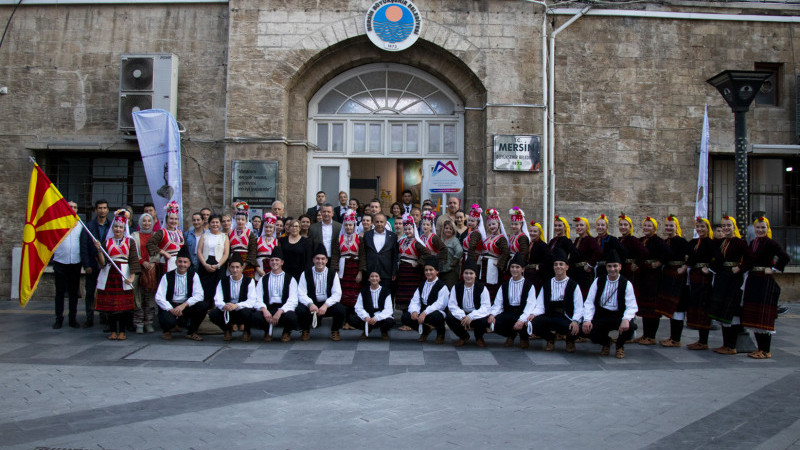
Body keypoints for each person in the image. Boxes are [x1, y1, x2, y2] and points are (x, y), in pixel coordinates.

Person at [741, 216, 791, 359]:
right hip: (753, 280)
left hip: (764, 280)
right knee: (755, 315)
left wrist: (774, 269)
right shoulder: (753, 242)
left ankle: (766, 350)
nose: (760, 230)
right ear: (754, 229)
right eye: (758, 227)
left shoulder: (770, 243)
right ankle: (759, 348)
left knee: (764, 316)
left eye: (763, 227)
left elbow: (785, 257)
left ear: (767, 229)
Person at [707, 215, 754, 355]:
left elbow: (751, 258)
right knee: (723, 311)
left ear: (734, 227)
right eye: (724, 226)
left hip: (733, 280)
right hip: (723, 278)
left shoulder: (739, 242)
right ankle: (726, 344)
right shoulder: (722, 242)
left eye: (729, 225)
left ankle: (731, 345)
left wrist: (740, 268)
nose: (726, 228)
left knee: (731, 311)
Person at [582, 250, 638, 359]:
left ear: (620, 267)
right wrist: (587, 319)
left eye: (615, 266)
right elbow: (589, 302)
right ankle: (606, 342)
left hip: (618, 315)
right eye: (610, 266)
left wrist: (626, 319)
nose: (612, 269)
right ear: (606, 267)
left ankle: (619, 346)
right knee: (585, 329)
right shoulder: (598, 281)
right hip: (602, 315)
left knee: (630, 327)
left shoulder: (626, 283)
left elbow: (632, 305)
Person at [94, 210, 141, 340]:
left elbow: (133, 260)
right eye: (115, 226)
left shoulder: (130, 242)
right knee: (111, 306)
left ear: (124, 228)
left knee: (124, 307)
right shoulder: (107, 242)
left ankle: (122, 331)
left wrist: (131, 277)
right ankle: (113, 330)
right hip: (110, 275)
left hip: (123, 275)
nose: (118, 229)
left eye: (120, 227)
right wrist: (99, 250)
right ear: (112, 227)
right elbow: (103, 263)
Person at [528, 249, 584, 353]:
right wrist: (533, 314)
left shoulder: (573, 285)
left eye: (561, 264)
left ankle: (570, 341)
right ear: (553, 267)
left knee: (574, 327)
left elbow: (579, 307)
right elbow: (540, 305)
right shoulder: (547, 284)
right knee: (532, 323)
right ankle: (550, 338)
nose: (558, 266)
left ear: (567, 267)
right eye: (556, 264)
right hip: (550, 314)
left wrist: (576, 320)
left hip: (566, 315)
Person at [154, 245, 207, 341]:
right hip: (171, 307)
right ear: (176, 262)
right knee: (167, 320)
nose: (182, 264)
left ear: (189, 263)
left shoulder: (194, 275)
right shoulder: (167, 276)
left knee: (203, 306)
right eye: (180, 261)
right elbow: (159, 297)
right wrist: (171, 309)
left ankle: (191, 332)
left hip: (185, 306)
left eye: (185, 262)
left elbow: (199, 295)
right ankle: (167, 330)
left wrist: (183, 305)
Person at [631, 216, 670, 346]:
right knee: (644, 307)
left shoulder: (658, 241)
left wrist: (658, 263)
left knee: (652, 308)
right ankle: (645, 334)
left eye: (649, 226)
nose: (646, 228)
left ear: (654, 228)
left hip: (653, 277)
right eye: (645, 226)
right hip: (643, 276)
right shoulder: (641, 240)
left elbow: (668, 253)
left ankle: (651, 336)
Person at [296, 245, 346, 341]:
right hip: (312, 304)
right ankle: (305, 330)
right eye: (317, 259)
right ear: (313, 260)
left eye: (323, 259)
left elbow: (337, 293)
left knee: (341, 310)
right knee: (300, 310)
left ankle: (335, 330)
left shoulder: (332, 273)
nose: (320, 261)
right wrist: (310, 304)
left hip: (326, 305)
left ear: (326, 260)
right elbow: (301, 293)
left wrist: (326, 305)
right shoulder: (306, 273)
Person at [251, 246, 301, 342]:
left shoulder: (290, 279)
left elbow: (293, 300)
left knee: (292, 317)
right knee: (256, 316)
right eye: (272, 260)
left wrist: (280, 311)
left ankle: (286, 331)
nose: (274, 262)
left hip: (283, 310)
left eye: (277, 260)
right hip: (268, 309)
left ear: (282, 262)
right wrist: (264, 310)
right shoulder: (263, 279)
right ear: (269, 262)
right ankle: (267, 331)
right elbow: (258, 298)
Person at [489, 253, 536, 348]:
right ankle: (511, 335)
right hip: (509, 312)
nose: (514, 269)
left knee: (527, 322)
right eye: (512, 267)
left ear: (522, 269)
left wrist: (521, 320)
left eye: (517, 267)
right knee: (494, 322)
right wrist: (492, 314)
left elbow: (530, 305)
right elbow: (498, 303)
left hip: (522, 312)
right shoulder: (504, 285)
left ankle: (524, 338)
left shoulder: (529, 285)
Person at [656, 215, 690, 347]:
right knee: (671, 307)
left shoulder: (680, 241)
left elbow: (692, 254)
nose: (669, 228)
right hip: (668, 275)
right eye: (667, 226)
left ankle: (676, 339)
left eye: (671, 226)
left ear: (676, 227)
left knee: (678, 307)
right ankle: (672, 337)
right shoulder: (666, 241)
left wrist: (685, 267)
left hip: (677, 275)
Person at [402, 256, 450, 344]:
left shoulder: (442, 286)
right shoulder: (422, 284)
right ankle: (425, 330)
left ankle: (440, 334)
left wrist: (425, 312)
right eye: (426, 270)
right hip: (423, 311)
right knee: (405, 317)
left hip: (435, 311)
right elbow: (415, 300)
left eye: (431, 270)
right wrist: (414, 311)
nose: (428, 272)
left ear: (437, 271)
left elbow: (441, 304)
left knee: (437, 316)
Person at [685, 217, 716, 350]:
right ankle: (700, 340)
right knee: (696, 306)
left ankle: (704, 341)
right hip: (695, 277)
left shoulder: (710, 243)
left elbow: (719, 258)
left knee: (703, 307)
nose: (700, 229)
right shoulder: (694, 242)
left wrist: (709, 268)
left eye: (703, 227)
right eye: (698, 227)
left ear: (708, 228)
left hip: (704, 278)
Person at [445, 260, 491, 347]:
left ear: (475, 275)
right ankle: (463, 336)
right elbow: (452, 305)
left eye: (471, 273)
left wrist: (471, 316)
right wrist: (462, 316)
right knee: (449, 318)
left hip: (476, 315)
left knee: (483, 320)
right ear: (463, 274)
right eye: (466, 273)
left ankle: (479, 337)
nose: (468, 276)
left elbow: (486, 307)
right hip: (462, 315)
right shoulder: (457, 287)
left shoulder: (482, 288)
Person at [79, 198, 110, 327]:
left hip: (106, 265)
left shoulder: (111, 225)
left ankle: (104, 316)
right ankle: (89, 317)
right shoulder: (89, 226)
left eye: (104, 208)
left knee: (105, 292)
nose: (102, 210)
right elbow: (84, 246)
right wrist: (86, 265)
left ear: (107, 210)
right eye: (100, 208)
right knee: (90, 292)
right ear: (96, 210)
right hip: (92, 264)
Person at [209, 259, 257, 341]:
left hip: (241, 309)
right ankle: (227, 329)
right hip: (228, 309)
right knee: (213, 314)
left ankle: (246, 331)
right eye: (232, 267)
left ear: (242, 268)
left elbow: (252, 301)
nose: (235, 270)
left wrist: (236, 305)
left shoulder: (249, 281)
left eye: (237, 267)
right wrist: (225, 305)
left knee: (248, 312)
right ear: (229, 268)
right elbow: (218, 298)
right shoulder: (223, 281)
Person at [51, 200, 82, 329]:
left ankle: (72, 319)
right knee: (60, 292)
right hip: (60, 262)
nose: (72, 209)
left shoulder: (81, 224)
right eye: (70, 207)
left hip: (75, 262)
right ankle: (59, 318)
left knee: (74, 293)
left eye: (75, 207)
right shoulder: (57, 223)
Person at [329, 209, 361, 329]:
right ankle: (344, 320)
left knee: (355, 294)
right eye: (346, 225)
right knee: (343, 294)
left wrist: (360, 272)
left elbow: (362, 256)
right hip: (343, 269)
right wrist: (335, 271)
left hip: (355, 268)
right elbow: (335, 256)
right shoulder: (338, 239)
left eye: (350, 225)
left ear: (354, 225)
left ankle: (353, 320)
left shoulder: (359, 238)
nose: (348, 227)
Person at [394, 215, 430, 321]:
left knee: (411, 294)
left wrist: (418, 262)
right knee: (402, 294)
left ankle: (410, 319)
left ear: (414, 229)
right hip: (402, 272)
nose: (408, 231)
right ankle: (405, 318)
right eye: (405, 229)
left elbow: (427, 254)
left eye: (409, 229)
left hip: (413, 273)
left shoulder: (417, 243)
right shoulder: (401, 241)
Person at [196, 214, 230, 305]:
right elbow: (199, 251)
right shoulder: (204, 235)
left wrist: (218, 265)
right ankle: (205, 307)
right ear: (209, 224)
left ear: (220, 224)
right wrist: (205, 264)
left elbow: (226, 253)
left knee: (218, 287)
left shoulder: (224, 236)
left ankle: (217, 306)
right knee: (205, 286)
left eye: (217, 222)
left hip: (219, 265)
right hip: (205, 264)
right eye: (213, 222)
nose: (215, 224)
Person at [146, 200, 185, 279]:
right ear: (166, 219)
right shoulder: (162, 232)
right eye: (171, 219)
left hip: (180, 263)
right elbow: (149, 244)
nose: (173, 221)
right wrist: (163, 252)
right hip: (167, 263)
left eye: (175, 219)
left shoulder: (180, 233)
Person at [131, 213, 156, 334]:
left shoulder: (156, 235)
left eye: (149, 221)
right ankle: (139, 323)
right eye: (144, 221)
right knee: (138, 296)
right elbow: (132, 252)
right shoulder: (134, 236)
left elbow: (157, 251)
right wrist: (142, 262)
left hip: (151, 269)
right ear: (140, 223)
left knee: (149, 296)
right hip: (138, 269)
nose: (147, 223)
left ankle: (149, 322)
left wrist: (152, 262)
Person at [351, 271, 395, 340]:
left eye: (376, 276)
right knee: (351, 319)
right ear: (369, 279)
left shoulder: (386, 291)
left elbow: (388, 309)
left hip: (380, 316)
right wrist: (365, 317)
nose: (374, 278)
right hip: (368, 314)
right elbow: (358, 307)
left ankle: (384, 331)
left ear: (379, 279)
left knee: (389, 321)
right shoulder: (364, 291)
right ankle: (367, 328)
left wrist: (376, 318)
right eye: (372, 276)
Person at [358, 212, 398, 288]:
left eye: (381, 222)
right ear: (373, 223)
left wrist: (394, 271)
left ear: (385, 223)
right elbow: (363, 254)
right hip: (370, 272)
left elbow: (394, 255)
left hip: (386, 272)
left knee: (386, 295)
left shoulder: (393, 236)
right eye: (377, 222)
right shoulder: (366, 235)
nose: (379, 224)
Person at [617, 213, 649, 304]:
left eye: (625, 225)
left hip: (630, 271)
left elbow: (645, 252)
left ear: (630, 227)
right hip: (621, 270)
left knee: (629, 294)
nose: (623, 227)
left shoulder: (633, 239)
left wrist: (637, 263)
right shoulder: (619, 240)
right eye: (621, 224)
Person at [481, 208, 510, 299]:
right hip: (485, 265)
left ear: (499, 224)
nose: (491, 226)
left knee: (492, 286)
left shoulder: (501, 239)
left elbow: (505, 252)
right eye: (489, 225)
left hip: (493, 266)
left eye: (493, 224)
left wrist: (499, 263)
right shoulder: (488, 238)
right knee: (485, 285)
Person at [571, 217, 601, 299]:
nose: (579, 227)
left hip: (585, 272)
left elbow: (598, 251)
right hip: (576, 272)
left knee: (584, 293)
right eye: (577, 225)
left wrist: (590, 264)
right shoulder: (577, 240)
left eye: (581, 225)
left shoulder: (590, 239)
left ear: (586, 227)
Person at [228, 201, 258, 278]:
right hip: (233, 261)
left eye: (242, 219)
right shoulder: (230, 233)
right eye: (238, 219)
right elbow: (227, 250)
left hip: (247, 262)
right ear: (235, 220)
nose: (240, 221)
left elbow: (253, 249)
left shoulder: (249, 233)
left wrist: (245, 264)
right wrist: (229, 263)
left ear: (246, 221)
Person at [594, 214, 626, 278]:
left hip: (608, 271)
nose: (600, 227)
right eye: (598, 225)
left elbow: (623, 252)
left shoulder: (612, 239)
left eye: (603, 225)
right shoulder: (593, 240)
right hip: (595, 270)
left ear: (607, 227)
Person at [525, 221, 553, 291]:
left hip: (538, 275)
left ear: (539, 233)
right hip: (529, 274)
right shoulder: (529, 244)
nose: (532, 233)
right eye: (531, 231)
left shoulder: (543, 245)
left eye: (535, 232)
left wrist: (540, 266)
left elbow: (549, 258)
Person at [439, 218, 463, 287]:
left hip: (451, 271)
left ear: (453, 231)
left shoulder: (454, 240)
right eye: (446, 228)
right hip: (442, 270)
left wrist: (455, 261)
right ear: (443, 229)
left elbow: (460, 251)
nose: (448, 230)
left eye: (450, 229)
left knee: (449, 290)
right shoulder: (442, 240)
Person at [462, 204, 485, 278]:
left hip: (472, 259)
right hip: (468, 257)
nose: (470, 222)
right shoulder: (471, 232)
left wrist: (469, 262)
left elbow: (472, 247)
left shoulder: (475, 233)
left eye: (472, 221)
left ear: (477, 222)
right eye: (469, 220)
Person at [255, 213, 279, 281]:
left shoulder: (277, 242)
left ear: (273, 228)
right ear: (263, 227)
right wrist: (257, 268)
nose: (268, 229)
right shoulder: (257, 240)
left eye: (271, 227)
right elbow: (253, 256)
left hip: (273, 268)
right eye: (266, 227)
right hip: (259, 268)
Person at [508, 208, 531, 276]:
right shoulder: (513, 236)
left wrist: (518, 265)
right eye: (512, 224)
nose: (513, 226)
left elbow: (524, 253)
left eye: (516, 224)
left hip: (517, 265)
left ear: (521, 225)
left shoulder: (522, 237)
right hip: (511, 263)